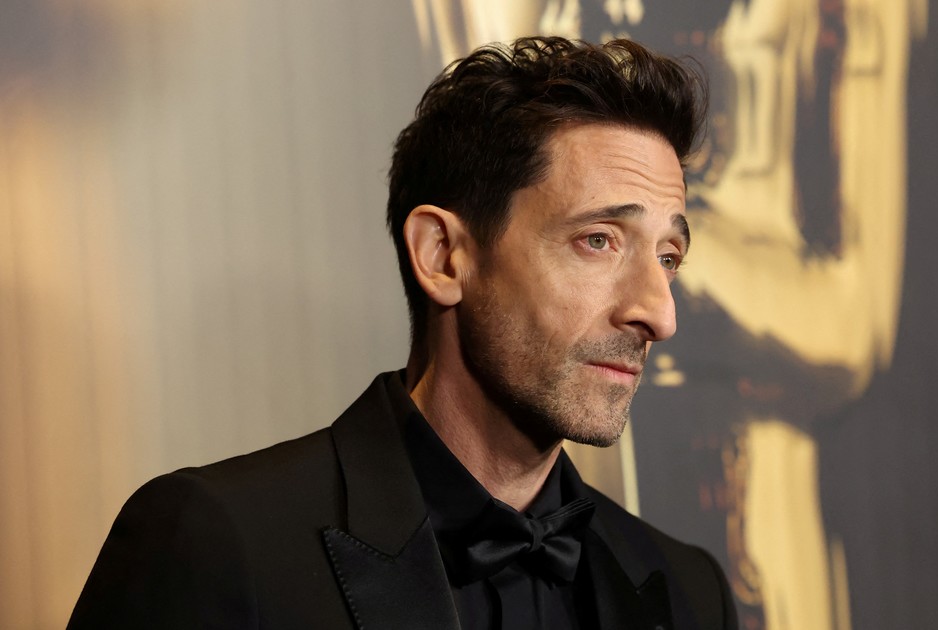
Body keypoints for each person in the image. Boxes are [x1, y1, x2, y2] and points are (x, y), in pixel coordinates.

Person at [67, 36, 736, 629]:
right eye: (598, 240)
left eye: (667, 258)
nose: (659, 315)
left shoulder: (690, 593)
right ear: (443, 256)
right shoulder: (218, 544)